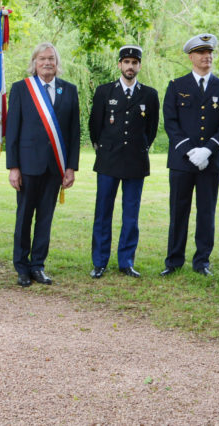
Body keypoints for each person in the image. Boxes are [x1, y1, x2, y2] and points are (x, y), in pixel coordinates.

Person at [5, 42, 80, 287]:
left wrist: (71, 167)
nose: (47, 63)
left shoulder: (69, 90)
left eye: (51, 59)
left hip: (54, 167)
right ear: (34, 63)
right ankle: (21, 267)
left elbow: (73, 133)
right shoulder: (21, 89)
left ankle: (38, 266)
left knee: (45, 219)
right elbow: (12, 130)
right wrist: (13, 166)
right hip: (27, 166)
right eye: (42, 59)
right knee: (24, 217)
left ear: (57, 63)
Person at [161, 34, 219, 277]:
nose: (207, 57)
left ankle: (202, 261)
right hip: (182, 161)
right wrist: (189, 150)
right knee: (178, 212)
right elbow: (170, 122)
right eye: (202, 53)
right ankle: (173, 261)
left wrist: (208, 149)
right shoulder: (176, 86)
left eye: (210, 52)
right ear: (191, 56)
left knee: (206, 213)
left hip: (210, 162)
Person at [87, 45, 159, 278]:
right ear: (119, 65)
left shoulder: (149, 94)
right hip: (108, 160)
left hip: (135, 161)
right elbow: (95, 126)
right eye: (126, 62)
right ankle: (99, 262)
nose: (130, 67)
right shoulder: (104, 91)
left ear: (139, 66)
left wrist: (140, 148)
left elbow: (152, 128)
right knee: (103, 213)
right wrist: (103, 148)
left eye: (134, 63)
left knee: (131, 214)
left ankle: (126, 261)